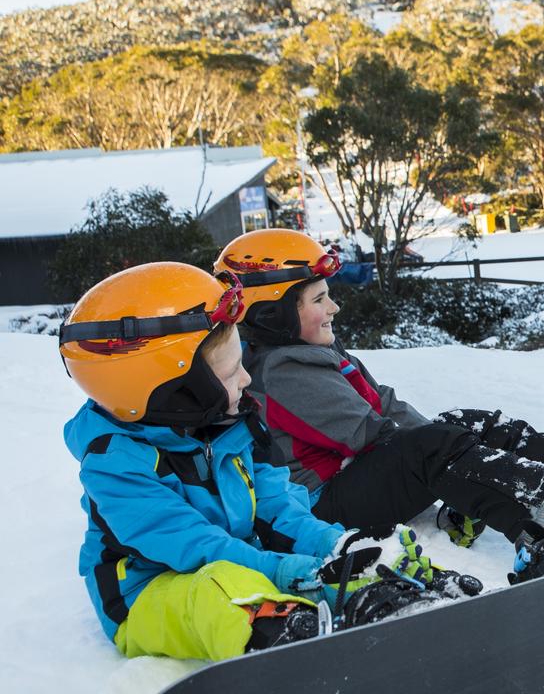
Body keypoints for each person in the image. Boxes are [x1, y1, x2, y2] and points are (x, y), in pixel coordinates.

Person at [59, 263, 474, 662]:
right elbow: (201, 550)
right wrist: (307, 573)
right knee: (225, 590)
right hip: (150, 595)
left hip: (243, 563)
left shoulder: (230, 428)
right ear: (175, 392)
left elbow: (278, 507)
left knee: (345, 565)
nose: (245, 379)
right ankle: (298, 641)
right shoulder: (114, 466)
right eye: (230, 372)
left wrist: (336, 548)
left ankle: (412, 605)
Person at [213, 229, 544, 577]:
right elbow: (372, 433)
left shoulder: (313, 350)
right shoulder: (283, 373)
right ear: (271, 314)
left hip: (358, 478)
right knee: (437, 444)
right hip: (322, 504)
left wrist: (461, 450)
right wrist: (455, 463)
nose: (333, 308)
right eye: (319, 299)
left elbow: (385, 405)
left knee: (456, 426)